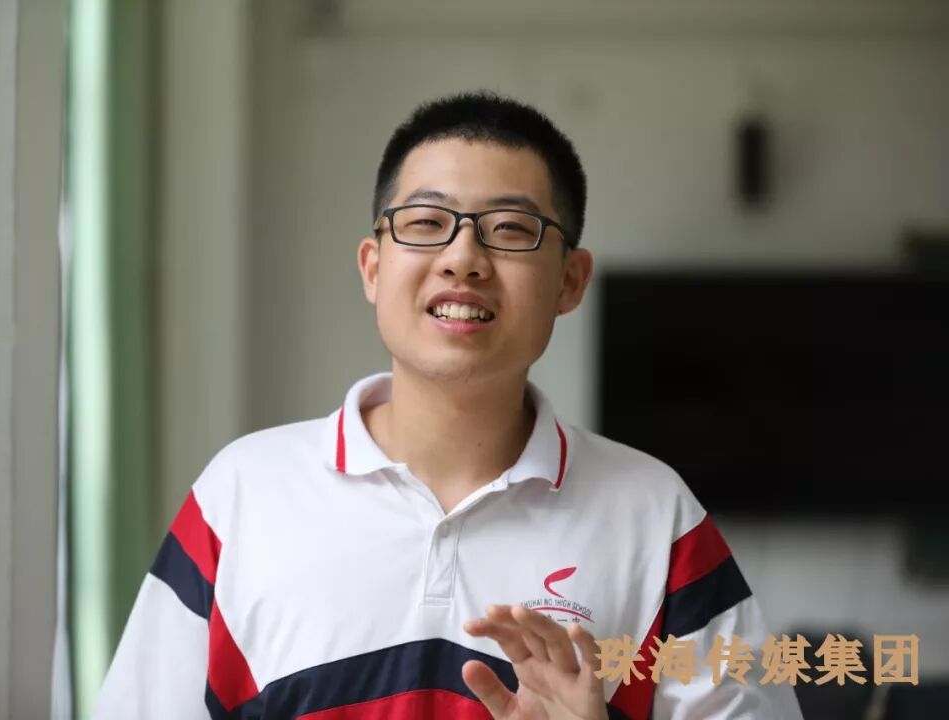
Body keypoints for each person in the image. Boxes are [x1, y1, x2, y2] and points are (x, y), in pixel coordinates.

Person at [93, 91, 804, 719]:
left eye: (511, 229)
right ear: (373, 267)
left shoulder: (655, 518)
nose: (463, 258)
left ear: (570, 280)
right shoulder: (243, 495)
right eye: (427, 223)